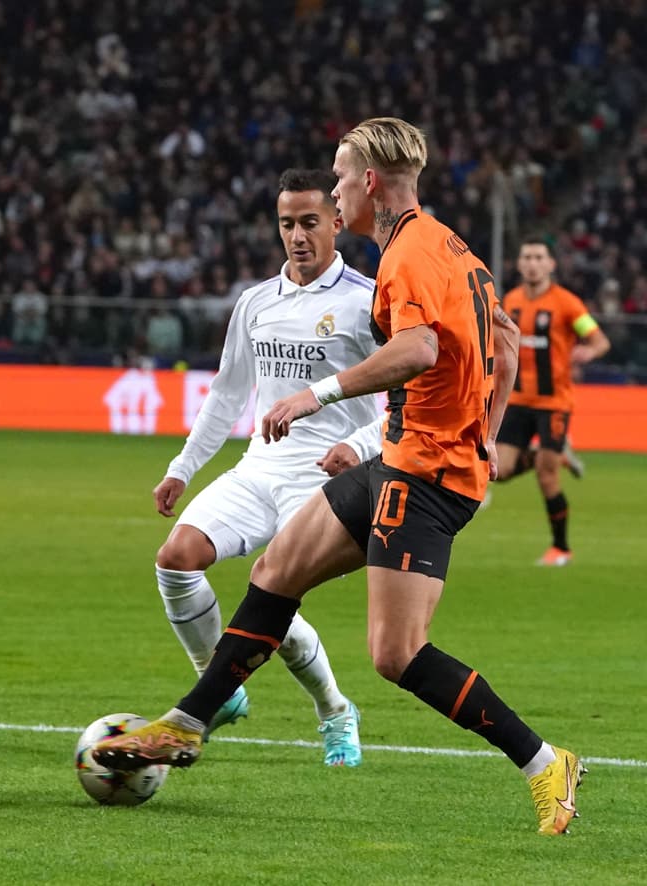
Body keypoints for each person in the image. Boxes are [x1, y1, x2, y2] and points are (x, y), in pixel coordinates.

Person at [94, 118, 584, 837]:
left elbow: (417, 349)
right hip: (407, 456)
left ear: (371, 184)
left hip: (427, 478)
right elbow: (504, 346)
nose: (336, 187)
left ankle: (546, 762)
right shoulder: (453, 246)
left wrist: (316, 395)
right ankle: (186, 725)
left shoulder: (408, 255)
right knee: (277, 565)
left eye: (341, 176)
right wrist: (485, 433)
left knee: (396, 654)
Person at [153, 168, 381, 766]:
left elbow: (405, 403)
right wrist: (183, 467)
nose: (298, 235)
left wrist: (356, 448)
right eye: (287, 224)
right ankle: (218, 686)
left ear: (336, 222)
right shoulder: (255, 302)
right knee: (176, 560)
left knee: (270, 591)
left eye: (310, 222)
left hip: (323, 479)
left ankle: (335, 710)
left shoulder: (367, 300)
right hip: (259, 467)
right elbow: (226, 396)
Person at [494, 237, 609, 566]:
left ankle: (561, 548)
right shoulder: (511, 302)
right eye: (526, 256)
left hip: (553, 402)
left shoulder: (568, 304)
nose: (532, 262)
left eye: (538, 257)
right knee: (499, 471)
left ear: (550, 265)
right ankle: (552, 454)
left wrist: (589, 350)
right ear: (519, 264)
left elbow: (599, 339)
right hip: (516, 399)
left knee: (547, 477)